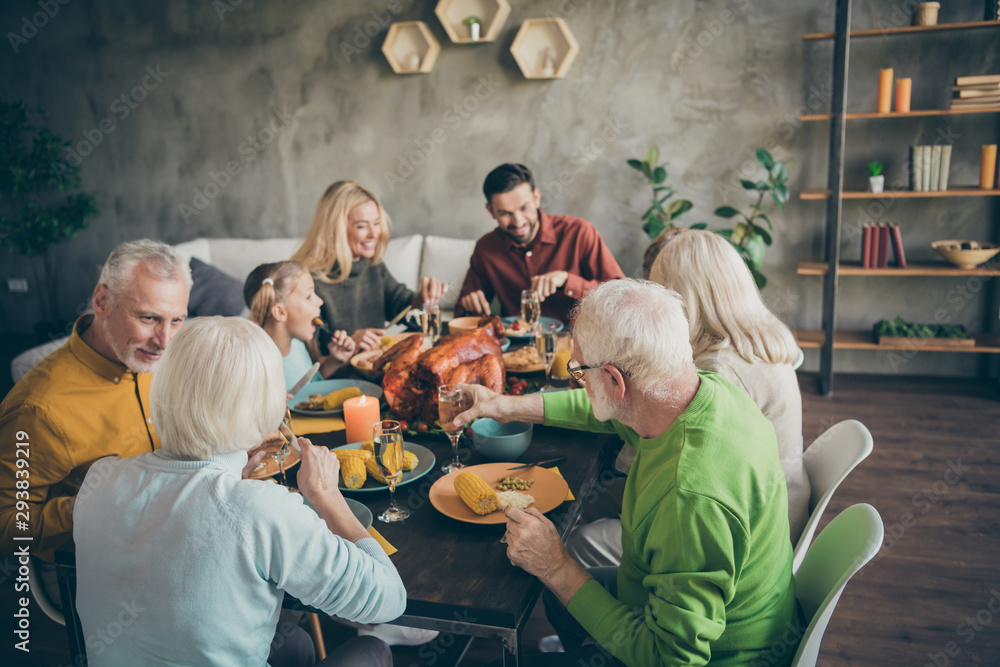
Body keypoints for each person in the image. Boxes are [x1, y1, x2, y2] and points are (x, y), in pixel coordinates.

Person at [454, 279, 798, 666]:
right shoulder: (704, 390)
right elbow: (601, 408)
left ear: (616, 380)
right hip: (684, 605)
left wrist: (556, 565)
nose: (577, 379)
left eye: (580, 369)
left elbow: (669, 658)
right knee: (558, 596)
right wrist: (504, 406)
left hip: (718, 656)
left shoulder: (689, 496)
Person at [73, 317, 405, 667]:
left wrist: (230, 482)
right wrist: (326, 495)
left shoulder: (101, 479)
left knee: (294, 641)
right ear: (264, 409)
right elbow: (390, 599)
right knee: (373, 651)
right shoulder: (262, 509)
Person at [567, 229, 811, 569]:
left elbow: (664, 467)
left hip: (747, 537)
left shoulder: (719, 372)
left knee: (581, 534)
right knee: (593, 497)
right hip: (777, 502)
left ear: (682, 297)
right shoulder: (761, 337)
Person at [0, 240, 190, 561]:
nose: (164, 342)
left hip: (173, 531)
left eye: (177, 320)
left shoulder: (158, 360)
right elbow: (9, 526)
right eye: (148, 318)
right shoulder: (37, 408)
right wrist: (100, 500)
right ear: (102, 301)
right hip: (97, 571)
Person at [455, 163, 625, 324]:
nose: (518, 221)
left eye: (524, 208)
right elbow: (461, 314)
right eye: (505, 213)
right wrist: (469, 305)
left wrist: (567, 280)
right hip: (516, 348)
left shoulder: (579, 232)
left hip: (579, 345)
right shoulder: (486, 248)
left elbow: (622, 296)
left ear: (536, 198)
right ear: (491, 211)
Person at [292, 180, 447, 354]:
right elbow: (311, 352)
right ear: (336, 230)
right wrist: (350, 343)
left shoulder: (372, 265)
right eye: (362, 226)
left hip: (373, 367)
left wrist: (424, 298)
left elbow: (402, 307)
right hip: (339, 376)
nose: (374, 233)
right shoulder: (308, 280)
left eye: (377, 223)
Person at [244, 260, 356, 392]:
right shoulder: (254, 368)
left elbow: (306, 388)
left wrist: (334, 361)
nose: (320, 301)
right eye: (308, 296)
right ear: (280, 312)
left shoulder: (298, 346)